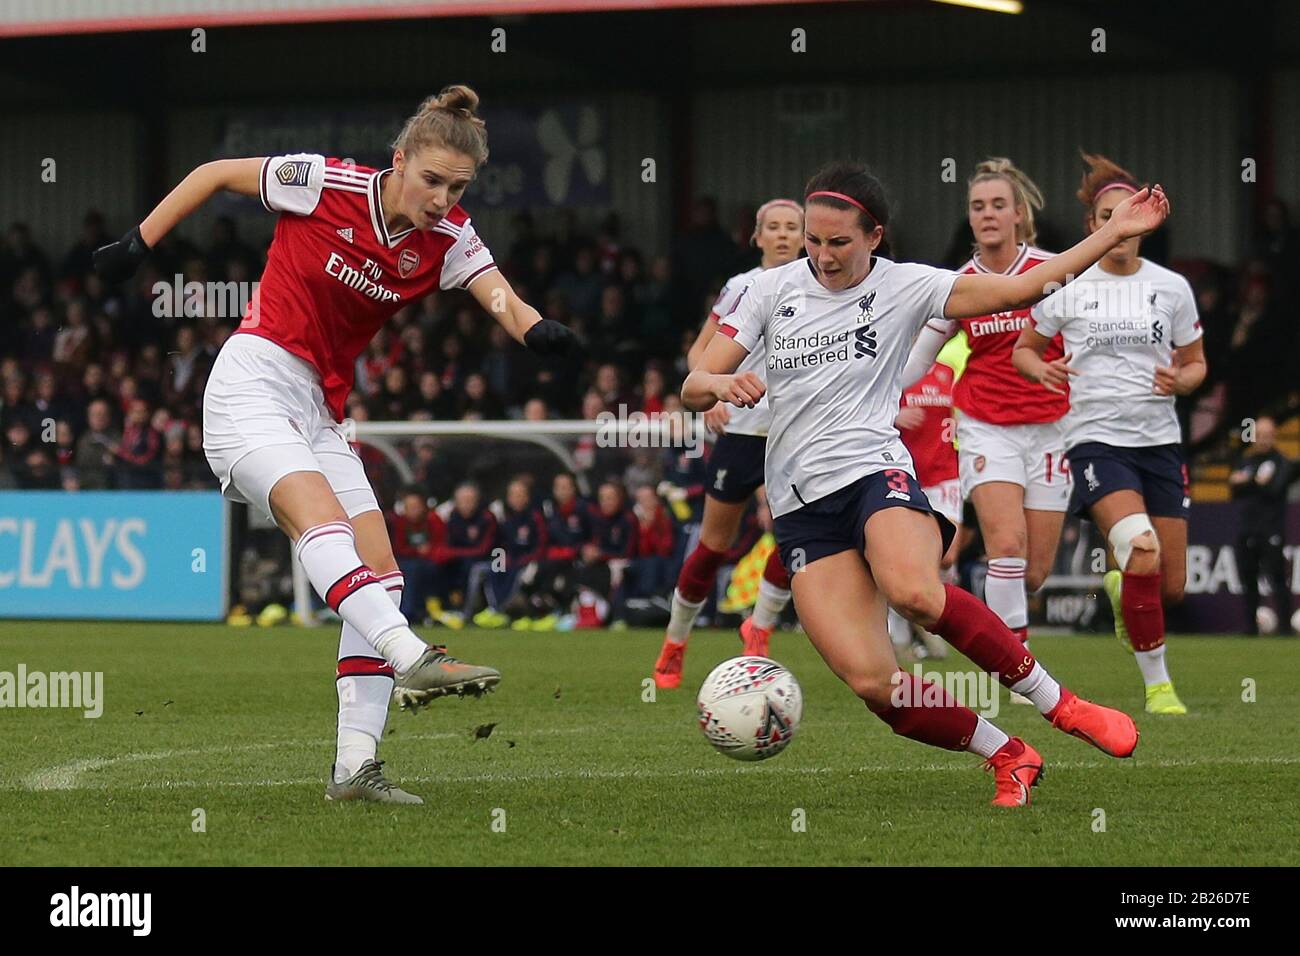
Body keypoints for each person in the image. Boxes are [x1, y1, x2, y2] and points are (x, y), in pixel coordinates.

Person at [93, 84, 578, 804]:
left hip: (319, 410)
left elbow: (501, 295)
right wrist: (141, 241)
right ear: (399, 160)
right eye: (432, 180)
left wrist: (535, 330)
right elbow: (214, 174)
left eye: (458, 187)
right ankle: (410, 652)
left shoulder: (448, 239)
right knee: (320, 519)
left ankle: (355, 768)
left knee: (381, 570)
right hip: (252, 381)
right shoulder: (322, 182)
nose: (443, 199)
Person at [685, 160, 1168, 806]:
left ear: (875, 236)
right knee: (876, 685)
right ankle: (1007, 753)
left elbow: (1027, 289)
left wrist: (1112, 236)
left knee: (915, 591)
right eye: (813, 241)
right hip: (802, 509)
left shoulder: (908, 287)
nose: (822, 257)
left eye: (839, 243)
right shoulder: (769, 291)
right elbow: (694, 383)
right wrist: (718, 384)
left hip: (873, 473)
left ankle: (1062, 706)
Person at [1013, 152, 1206, 716]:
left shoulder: (1171, 288)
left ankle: (1123, 589)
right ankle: (1159, 687)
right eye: (1104, 216)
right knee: (1140, 547)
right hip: (1095, 440)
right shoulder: (1069, 285)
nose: (1116, 225)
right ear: (1092, 227)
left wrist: (1183, 380)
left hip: (1161, 442)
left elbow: (1196, 364)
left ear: (1146, 222)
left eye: (1127, 213)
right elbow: (1026, 348)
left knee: (1169, 586)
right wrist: (1041, 368)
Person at [902, 159, 1066, 657]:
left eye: (998, 205)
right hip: (985, 425)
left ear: (1019, 214)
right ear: (969, 219)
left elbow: (1088, 340)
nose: (988, 214)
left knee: (1033, 573)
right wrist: (875, 394)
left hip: (1053, 429)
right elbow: (916, 359)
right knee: (1006, 545)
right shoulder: (959, 285)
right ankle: (1016, 667)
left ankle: (999, 634)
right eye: (978, 207)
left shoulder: (1052, 271)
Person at [653, 199, 804, 689]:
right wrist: (712, 388)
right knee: (714, 543)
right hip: (742, 432)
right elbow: (700, 351)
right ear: (756, 237)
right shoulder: (741, 287)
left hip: (795, 434)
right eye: (773, 227)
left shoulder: (820, 287)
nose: (783, 235)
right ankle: (675, 642)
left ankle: (758, 629)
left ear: (805, 236)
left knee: (795, 538)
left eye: (792, 227)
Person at [1229, 415, 1296, 634]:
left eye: (1267, 435)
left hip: (1271, 529)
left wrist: (1248, 482)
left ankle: (1285, 628)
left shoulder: (1281, 462)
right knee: (1248, 580)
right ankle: (1250, 628)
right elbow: (1234, 490)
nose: (1263, 439)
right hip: (1247, 528)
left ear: (1274, 436)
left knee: (1276, 578)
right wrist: (1254, 481)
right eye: (1259, 435)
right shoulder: (1246, 460)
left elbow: (1274, 489)